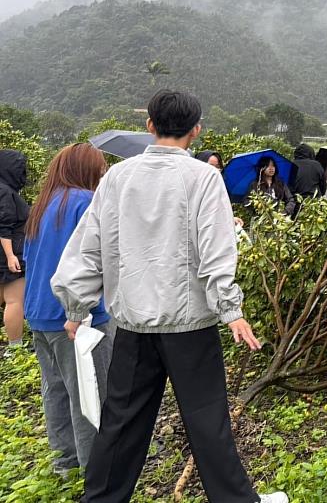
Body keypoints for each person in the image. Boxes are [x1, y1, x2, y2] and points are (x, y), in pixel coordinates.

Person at [51, 90, 288, 503]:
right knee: (207, 422)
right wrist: (231, 310)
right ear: (196, 130)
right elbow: (216, 249)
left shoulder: (117, 178)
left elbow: (88, 247)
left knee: (121, 425)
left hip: (132, 325)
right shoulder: (203, 177)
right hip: (190, 327)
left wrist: (76, 307)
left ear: (149, 126)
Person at [23, 143, 114, 473]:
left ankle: (65, 464)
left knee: (56, 391)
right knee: (88, 393)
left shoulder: (44, 204)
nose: (102, 175)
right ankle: (97, 470)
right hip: (77, 317)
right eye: (100, 169)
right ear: (87, 170)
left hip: (39, 313)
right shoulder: (85, 202)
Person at [0, 149, 29, 355]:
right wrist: (11, 256)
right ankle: (15, 348)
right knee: (14, 300)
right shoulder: (5, 192)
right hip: (10, 254)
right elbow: (4, 225)